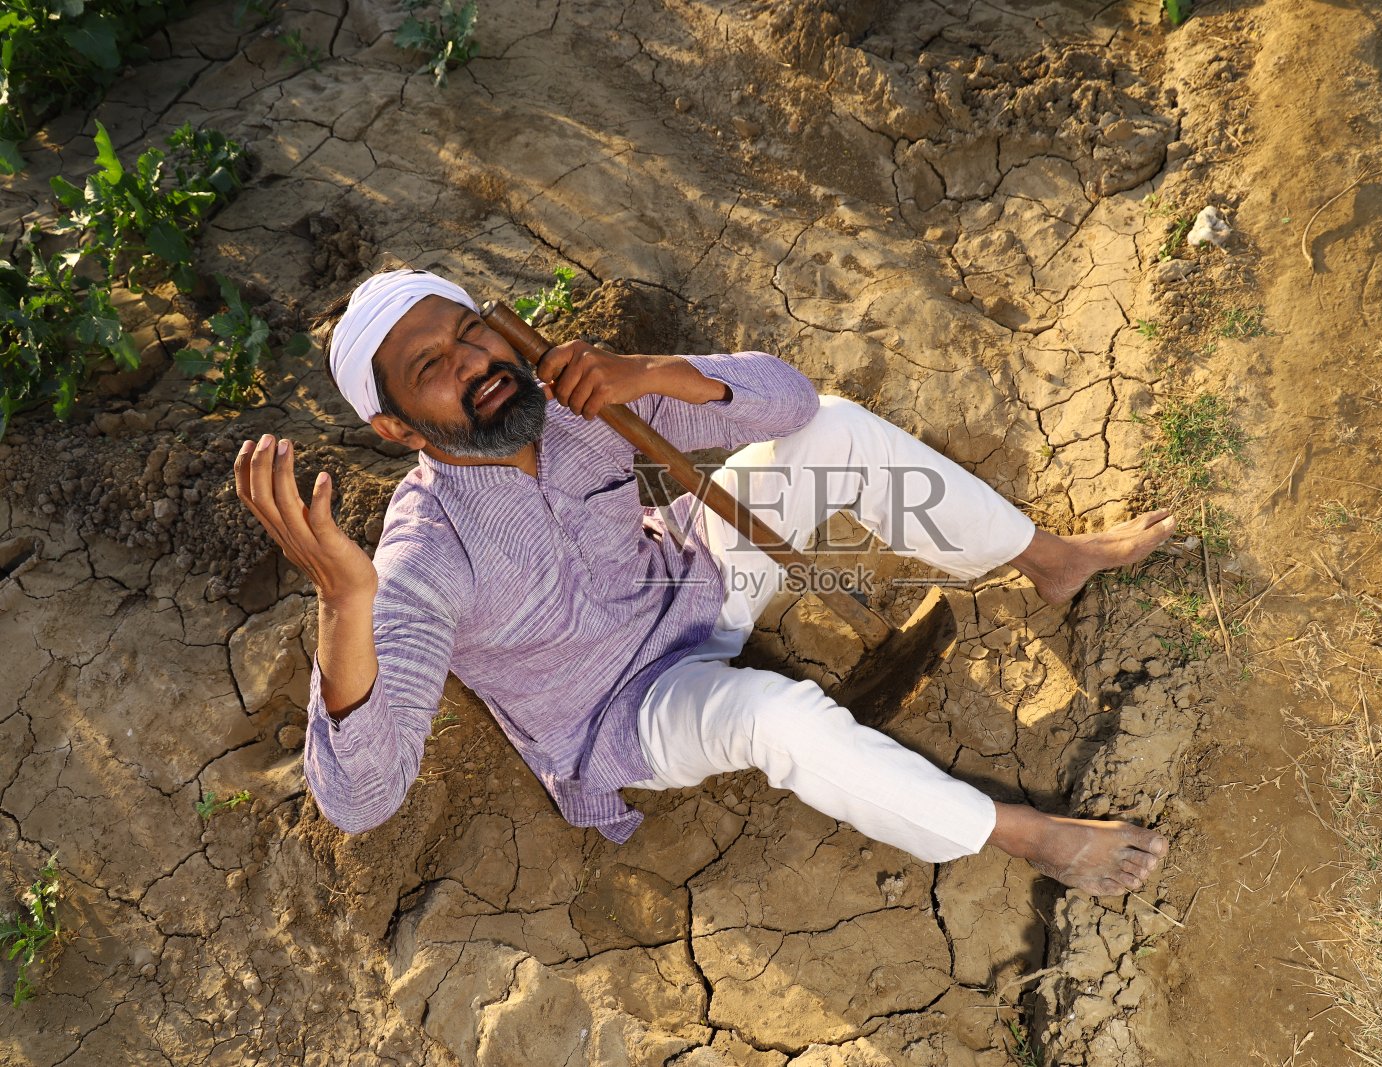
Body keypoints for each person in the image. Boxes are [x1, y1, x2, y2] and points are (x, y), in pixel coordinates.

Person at [234, 269, 1175, 895]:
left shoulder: (574, 406)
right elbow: (358, 800)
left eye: (468, 333)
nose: (472, 363)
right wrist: (343, 600)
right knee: (784, 718)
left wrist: (643, 372)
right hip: (627, 712)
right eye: (428, 368)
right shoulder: (424, 554)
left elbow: (793, 401)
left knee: (835, 431)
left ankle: (1045, 557)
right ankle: (1025, 835)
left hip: (694, 575)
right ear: (399, 427)